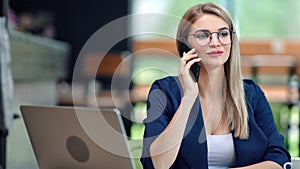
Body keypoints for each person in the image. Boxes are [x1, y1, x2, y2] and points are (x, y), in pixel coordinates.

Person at [140, 2, 291, 169]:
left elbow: (279, 159)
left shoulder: (251, 94)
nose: (215, 42)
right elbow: (157, 165)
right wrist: (188, 98)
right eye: (203, 36)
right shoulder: (164, 91)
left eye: (223, 34)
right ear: (185, 44)